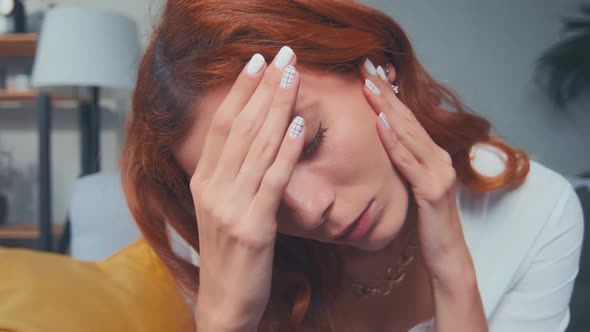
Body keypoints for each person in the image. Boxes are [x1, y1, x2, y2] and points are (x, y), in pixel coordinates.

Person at [120, 1, 584, 331]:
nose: (309, 208)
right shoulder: (222, 233)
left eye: (307, 142)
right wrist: (226, 322)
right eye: (259, 185)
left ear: (374, 67)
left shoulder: (536, 212)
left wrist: (453, 271)